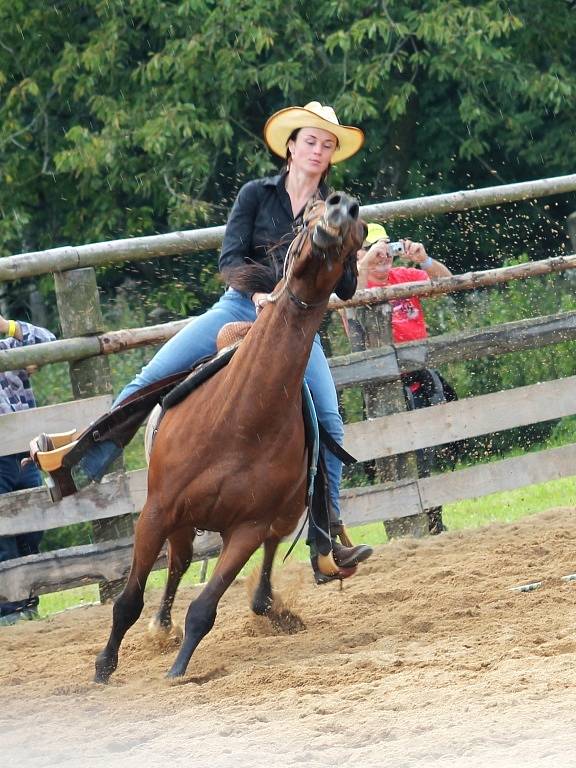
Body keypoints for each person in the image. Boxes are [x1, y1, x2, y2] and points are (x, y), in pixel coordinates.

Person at [33, 101, 373, 583]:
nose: (318, 150)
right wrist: (257, 292)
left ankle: (326, 537)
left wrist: (348, 252)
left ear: (332, 155)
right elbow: (229, 258)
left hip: (295, 327)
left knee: (330, 423)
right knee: (151, 376)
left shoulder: (334, 212)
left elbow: (346, 289)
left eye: (328, 144)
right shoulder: (256, 195)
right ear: (291, 147)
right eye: (311, 140)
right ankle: (83, 457)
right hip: (239, 306)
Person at [344, 223, 455, 535]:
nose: (383, 254)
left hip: (418, 375)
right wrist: (363, 263)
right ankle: (404, 529)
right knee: (391, 459)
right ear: (357, 255)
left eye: (386, 246)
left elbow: (449, 284)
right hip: (381, 385)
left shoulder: (406, 276)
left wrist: (425, 260)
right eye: (373, 248)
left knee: (426, 453)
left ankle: (434, 524)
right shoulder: (349, 284)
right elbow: (351, 294)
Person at [0, 313, 55, 625]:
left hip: (22, 451)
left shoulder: (10, 345)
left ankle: (28, 602)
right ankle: (9, 610)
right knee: (2, 534)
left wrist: (9, 327)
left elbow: (49, 344)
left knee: (33, 523)